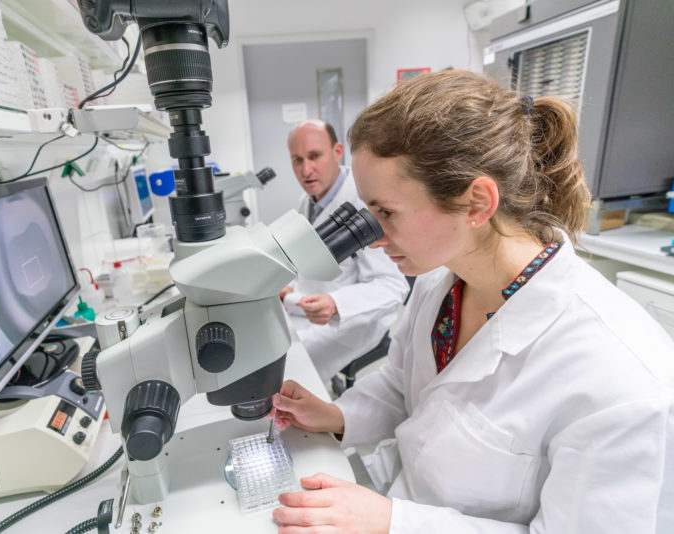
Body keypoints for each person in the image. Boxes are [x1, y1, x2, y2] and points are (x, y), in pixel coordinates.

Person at [269, 71, 674, 533]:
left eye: (387, 212)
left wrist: (395, 523)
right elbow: (403, 385)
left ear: (477, 203)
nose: (372, 237)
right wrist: (338, 415)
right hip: (396, 492)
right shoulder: (441, 281)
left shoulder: (620, 379)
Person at [280, 119, 408, 382]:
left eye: (315, 156)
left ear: (337, 151)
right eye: (297, 160)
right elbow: (304, 257)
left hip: (352, 321)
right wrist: (289, 285)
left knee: (287, 370)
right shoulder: (307, 201)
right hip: (308, 308)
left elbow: (392, 286)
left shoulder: (363, 203)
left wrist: (337, 304)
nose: (307, 169)